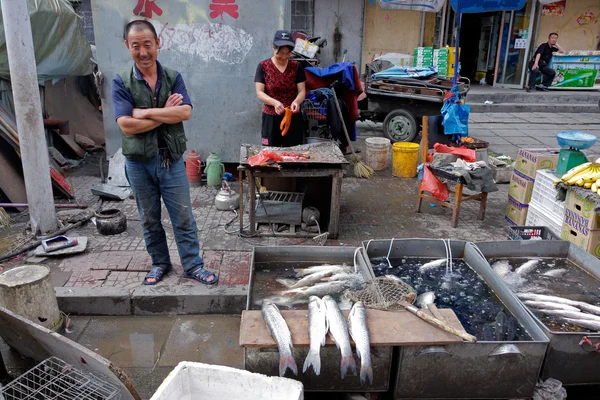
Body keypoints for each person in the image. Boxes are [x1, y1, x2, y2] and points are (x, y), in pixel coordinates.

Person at [112, 20, 217, 286]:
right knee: (149, 219)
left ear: (158, 44)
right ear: (127, 46)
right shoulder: (121, 81)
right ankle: (160, 263)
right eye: (136, 46)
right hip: (138, 163)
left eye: (148, 44)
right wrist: (164, 115)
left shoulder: (173, 76)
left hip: (170, 160)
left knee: (183, 216)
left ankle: (193, 265)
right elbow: (125, 125)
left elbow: (185, 112)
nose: (143, 52)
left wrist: (145, 112)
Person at [254, 30, 306, 147]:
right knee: (270, 154)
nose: (284, 57)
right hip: (271, 119)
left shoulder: (296, 67)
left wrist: (296, 102)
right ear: (273, 47)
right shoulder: (263, 66)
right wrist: (274, 103)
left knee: (294, 154)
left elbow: (302, 91)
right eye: (281, 53)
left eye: (287, 54)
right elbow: (259, 93)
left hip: (292, 117)